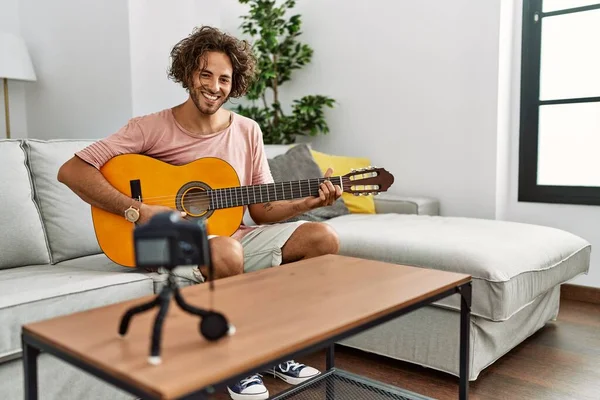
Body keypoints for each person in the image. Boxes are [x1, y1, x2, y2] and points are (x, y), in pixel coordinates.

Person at [57, 25, 342, 400]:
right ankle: (238, 362)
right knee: (226, 250)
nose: (214, 86)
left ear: (235, 84)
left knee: (322, 238)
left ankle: (276, 350)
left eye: (224, 78)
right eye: (205, 74)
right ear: (189, 73)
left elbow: (262, 207)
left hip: (231, 238)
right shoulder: (150, 126)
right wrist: (135, 210)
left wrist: (307, 203)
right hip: (170, 240)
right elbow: (72, 171)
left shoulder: (247, 131)